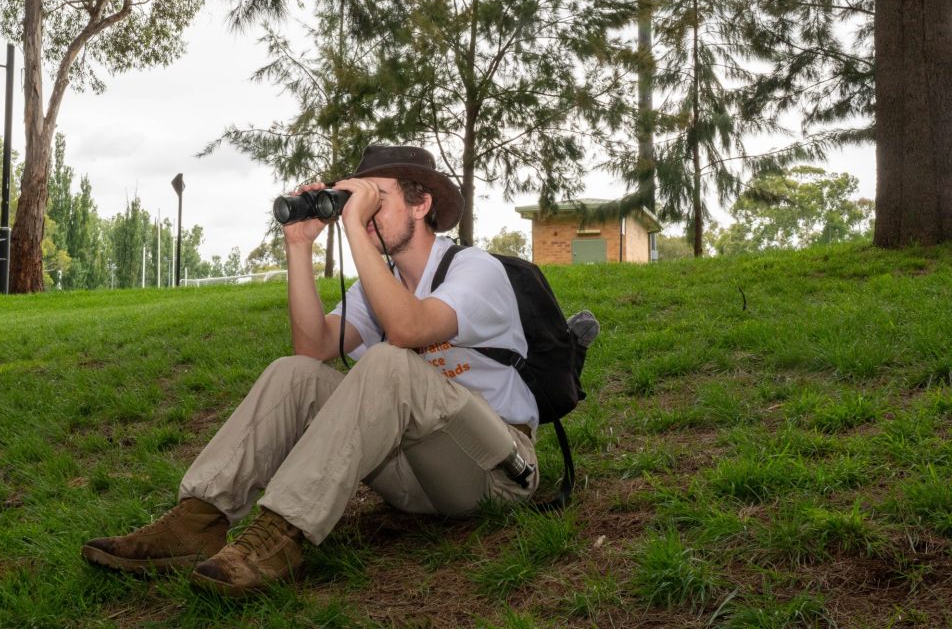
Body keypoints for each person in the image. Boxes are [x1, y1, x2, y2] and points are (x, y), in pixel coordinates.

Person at [82, 145, 588, 597]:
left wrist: (352, 230)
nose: (362, 215)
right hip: (415, 480)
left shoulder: (474, 269)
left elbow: (409, 328)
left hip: (494, 473)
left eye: (376, 200)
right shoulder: (378, 282)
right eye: (355, 203)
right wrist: (299, 245)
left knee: (389, 361)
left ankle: (277, 536)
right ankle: (196, 521)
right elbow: (312, 346)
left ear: (421, 204)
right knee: (292, 373)